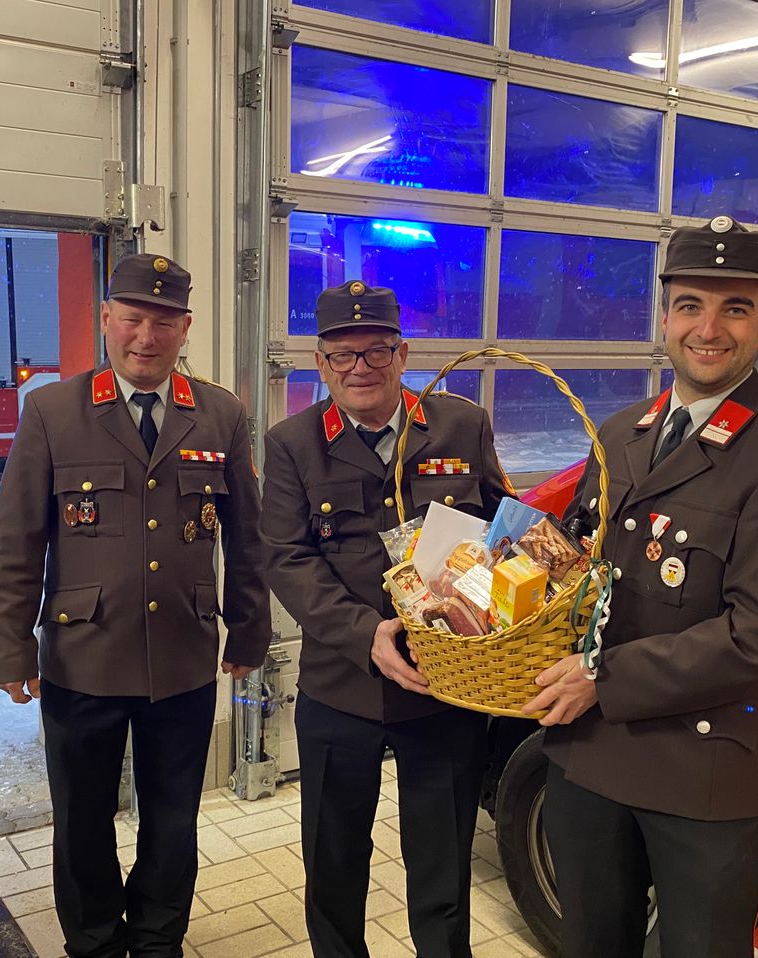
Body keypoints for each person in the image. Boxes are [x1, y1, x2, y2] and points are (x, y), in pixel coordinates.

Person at [522, 216, 758, 958]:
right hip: (587, 757)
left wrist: (603, 678)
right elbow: (575, 564)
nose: (709, 329)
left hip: (700, 776)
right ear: (664, 316)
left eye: (735, 308)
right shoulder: (622, 431)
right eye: (690, 305)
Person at [0, 252, 269, 958]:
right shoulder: (53, 411)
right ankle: (95, 943)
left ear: (185, 328)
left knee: (174, 821)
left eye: (164, 323)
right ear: (106, 319)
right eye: (133, 318)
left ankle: (159, 940)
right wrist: (9, 647)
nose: (146, 336)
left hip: (183, 656)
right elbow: (17, 538)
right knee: (82, 823)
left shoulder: (221, 415)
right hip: (84, 657)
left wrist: (248, 629)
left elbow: (248, 535)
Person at [260, 280, 515, 958]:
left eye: (376, 351)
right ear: (321, 364)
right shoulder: (292, 444)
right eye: (342, 355)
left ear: (402, 355)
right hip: (341, 684)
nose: (360, 368)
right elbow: (286, 556)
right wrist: (362, 633)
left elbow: (502, 533)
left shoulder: (461, 425)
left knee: (443, 867)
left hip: (445, 687)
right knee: (333, 864)